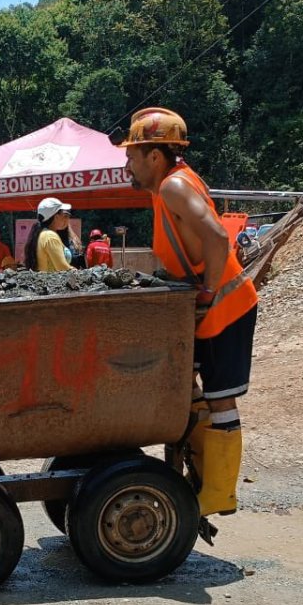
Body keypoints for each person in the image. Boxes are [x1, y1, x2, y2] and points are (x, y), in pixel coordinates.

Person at [119, 107, 259, 525]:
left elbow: (217, 238)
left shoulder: (175, 188)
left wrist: (209, 292)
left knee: (220, 398)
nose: (127, 163)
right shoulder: (169, 186)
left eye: (132, 155)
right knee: (191, 390)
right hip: (208, 306)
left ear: (155, 157)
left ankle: (217, 493)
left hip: (225, 306)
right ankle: (199, 480)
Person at [22, 197, 72, 272]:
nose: (67, 219)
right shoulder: (50, 236)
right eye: (64, 215)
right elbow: (63, 268)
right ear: (56, 216)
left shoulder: (43, 234)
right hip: (55, 282)